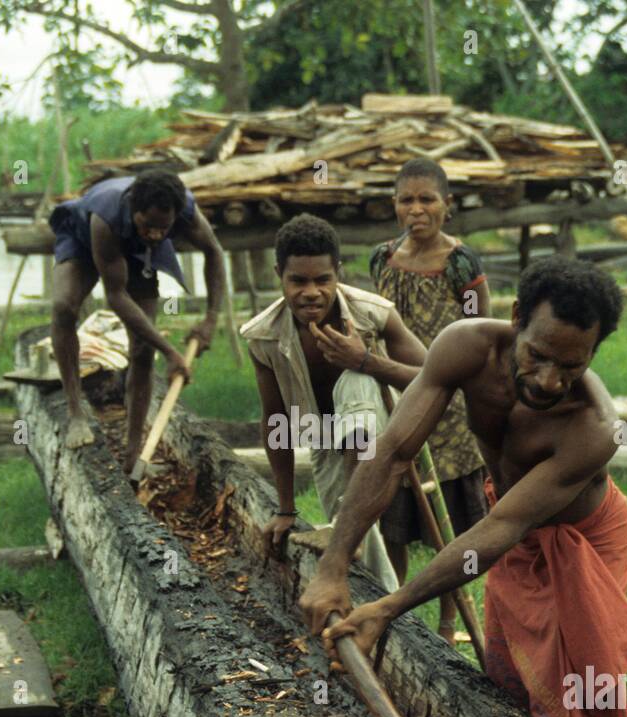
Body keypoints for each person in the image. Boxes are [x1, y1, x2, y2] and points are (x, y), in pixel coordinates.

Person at [299, 256, 627, 717]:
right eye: (537, 356)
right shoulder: (465, 346)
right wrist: (332, 566)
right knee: (511, 673)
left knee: (566, 694)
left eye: (572, 367)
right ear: (516, 317)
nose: (549, 380)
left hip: (578, 539)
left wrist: (391, 607)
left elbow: (501, 529)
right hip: (510, 521)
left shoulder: (595, 429)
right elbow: (395, 451)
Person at [240, 214, 428, 593]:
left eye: (322, 280)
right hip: (324, 439)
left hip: (384, 433)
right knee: (360, 544)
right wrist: (286, 508)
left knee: (356, 380)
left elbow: (432, 377)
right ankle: (386, 611)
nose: (311, 292)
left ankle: (347, 526)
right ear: (279, 274)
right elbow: (276, 420)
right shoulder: (263, 337)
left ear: (337, 273)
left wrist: (365, 361)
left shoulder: (372, 314)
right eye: (298, 281)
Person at [370, 157, 491, 641]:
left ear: (448, 205)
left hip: (452, 404)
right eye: (406, 200)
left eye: (427, 199)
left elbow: (479, 331)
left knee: (452, 522)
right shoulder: (383, 258)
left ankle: (446, 620)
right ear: (394, 206)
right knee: (396, 505)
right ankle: (396, 608)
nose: (416, 210)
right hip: (395, 392)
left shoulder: (461, 263)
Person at [47, 170, 227, 469]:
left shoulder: (183, 210)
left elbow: (214, 252)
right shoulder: (106, 217)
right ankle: (76, 414)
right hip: (83, 238)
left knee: (143, 350)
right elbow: (116, 296)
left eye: (163, 228)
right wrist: (170, 351)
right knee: (64, 308)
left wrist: (210, 319)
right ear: (134, 209)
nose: (156, 234)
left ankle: (134, 456)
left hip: (134, 250)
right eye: (149, 225)